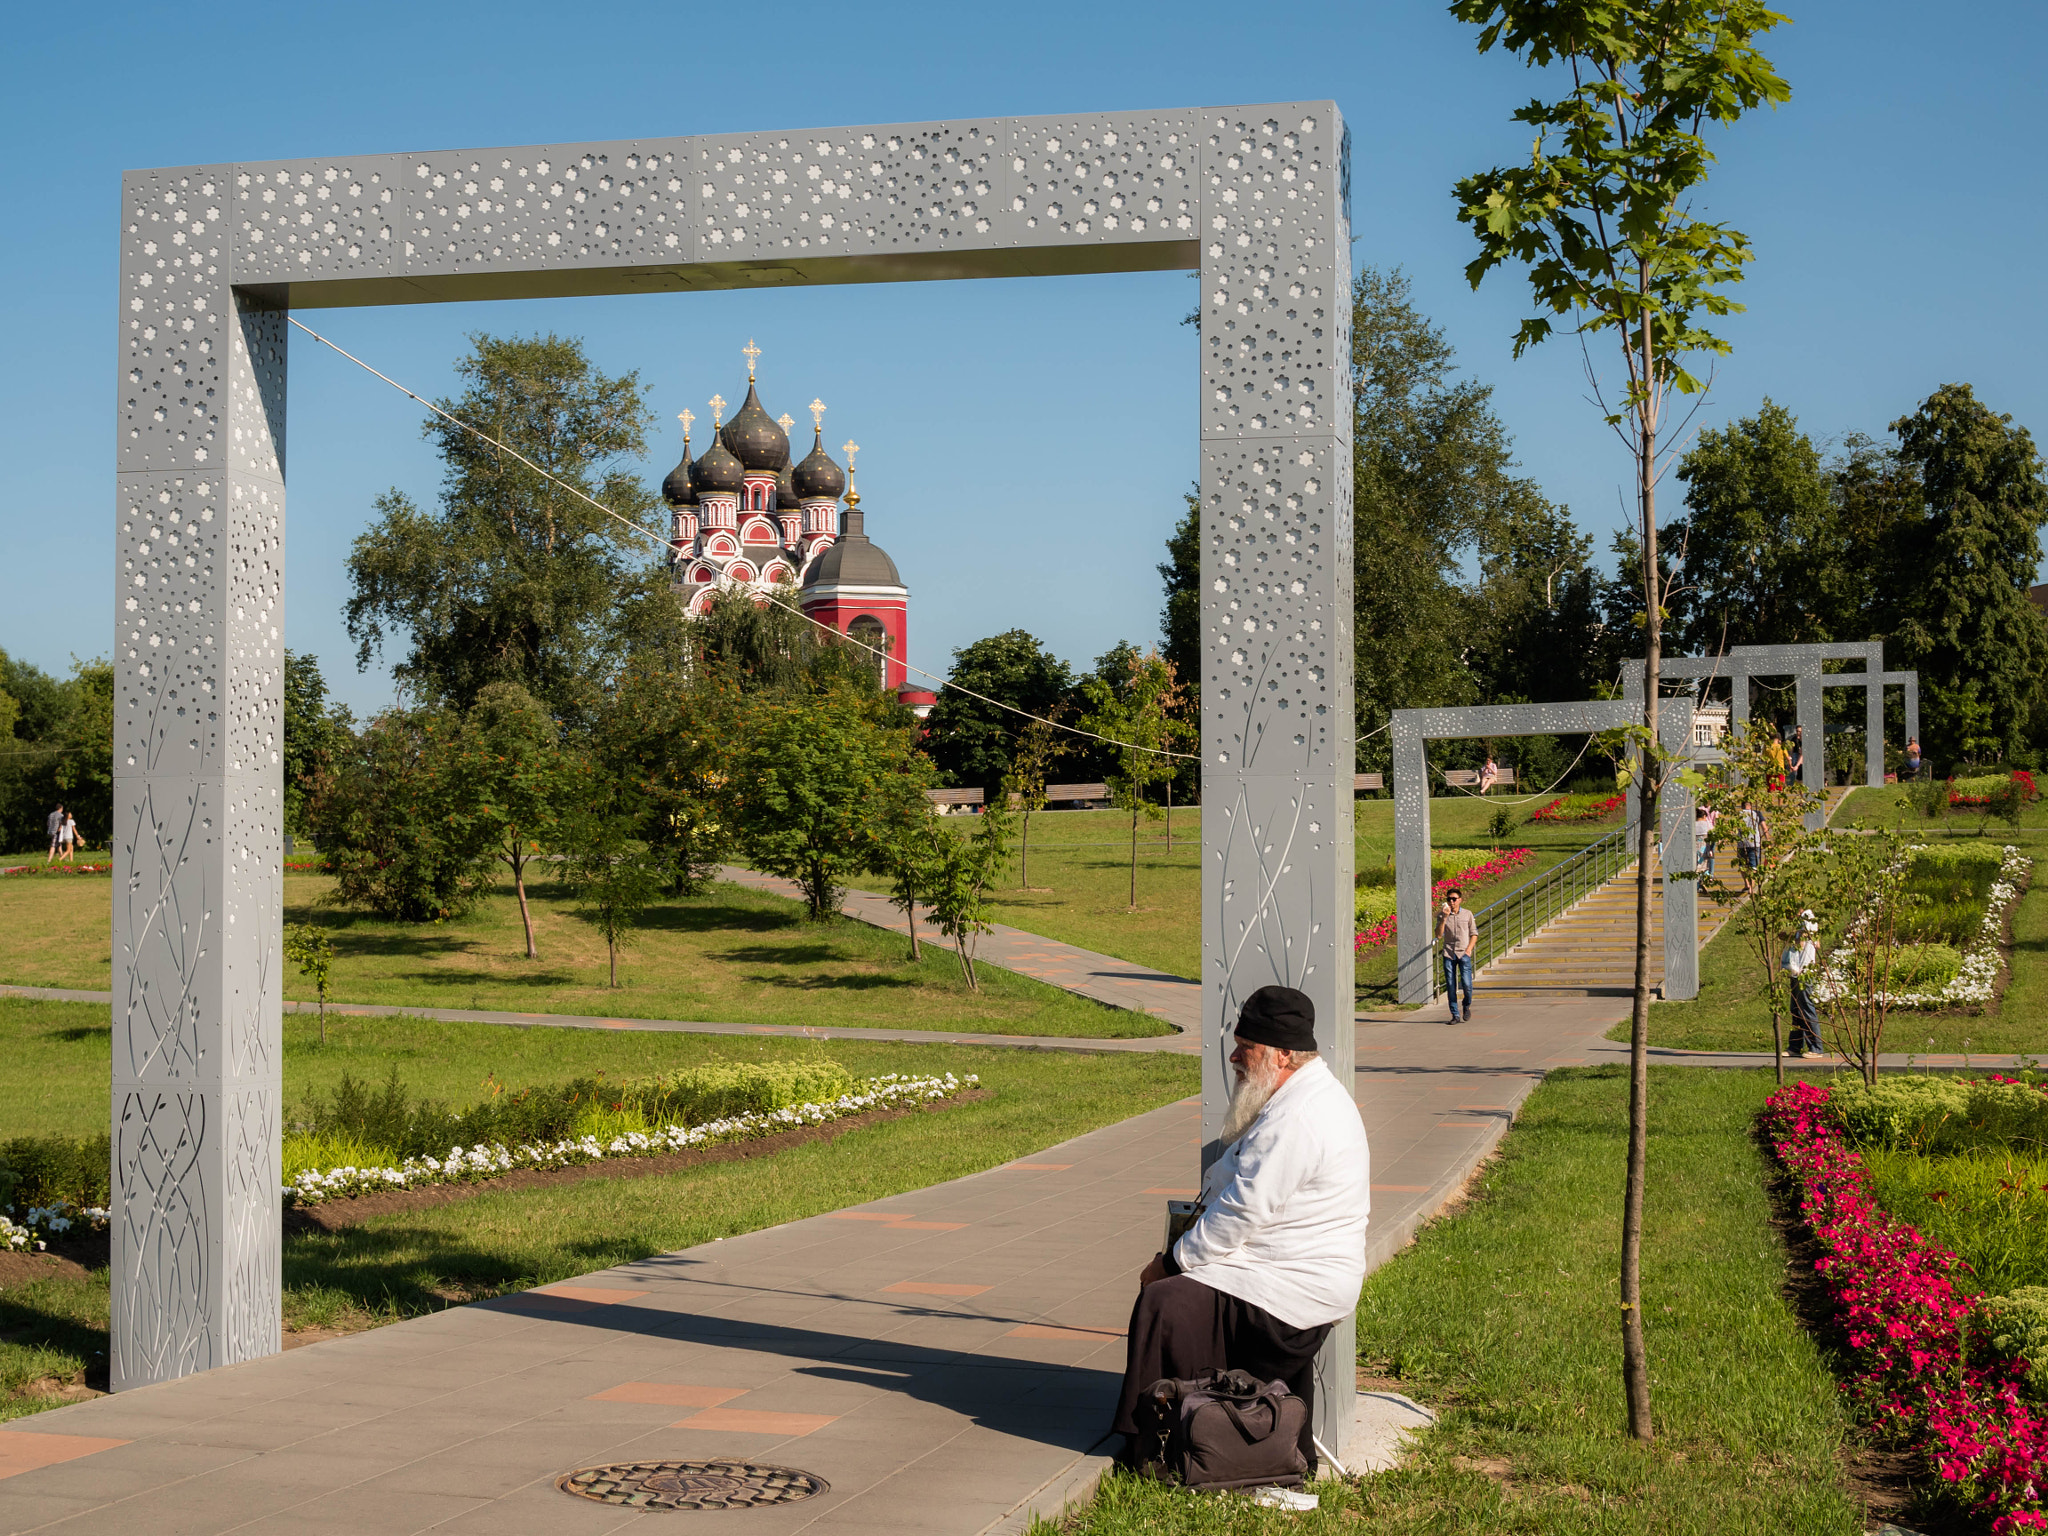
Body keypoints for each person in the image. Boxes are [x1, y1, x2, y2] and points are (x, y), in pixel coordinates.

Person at [1113, 986, 1370, 1473]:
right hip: (1283, 1271)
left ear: (1283, 1054)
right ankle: (1185, 1431)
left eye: (1245, 1047)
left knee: (1163, 1302)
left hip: (1291, 1286)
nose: (1233, 1057)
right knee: (1177, 1295)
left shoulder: (1301, 1116)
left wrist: (1170, 1263)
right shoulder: (1303, 1096)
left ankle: (1151, 1448)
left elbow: (1241, 1212)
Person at [1784, 912, 1825, 1058]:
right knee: (1795, 1009)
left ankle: (1816, 1047)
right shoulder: (1806, 922)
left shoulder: (1807, 918)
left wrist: (1792, 937)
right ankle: (1795, 1046)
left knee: (1806, 1007)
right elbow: (1817, 944)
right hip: (1797, 971)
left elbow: (1800, 942)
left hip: (1804, 971)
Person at [1437, 887, 1477, 1022]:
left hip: (1463, 952)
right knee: (1450, 984)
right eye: (1449, 899)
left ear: (1460, 900)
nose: (1451, 902)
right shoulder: (1442, 914)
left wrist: (1469, 949)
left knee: (1467, 984)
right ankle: (1455, 1014)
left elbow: (1474, 933)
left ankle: (1466, 1005)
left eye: (1454, 899)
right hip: (1449, 953)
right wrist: (1444, 918)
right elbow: (1438, 934)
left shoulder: (1467, 914)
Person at [1694, 806, 1717, 880]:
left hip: (1695, 849)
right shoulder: (1706, 824)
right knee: (1704, 864)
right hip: (1704, 849)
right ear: (1704, 816)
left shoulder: (1693, 825)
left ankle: (1698, 881)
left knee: (1697, 866)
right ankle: (1707, 876)